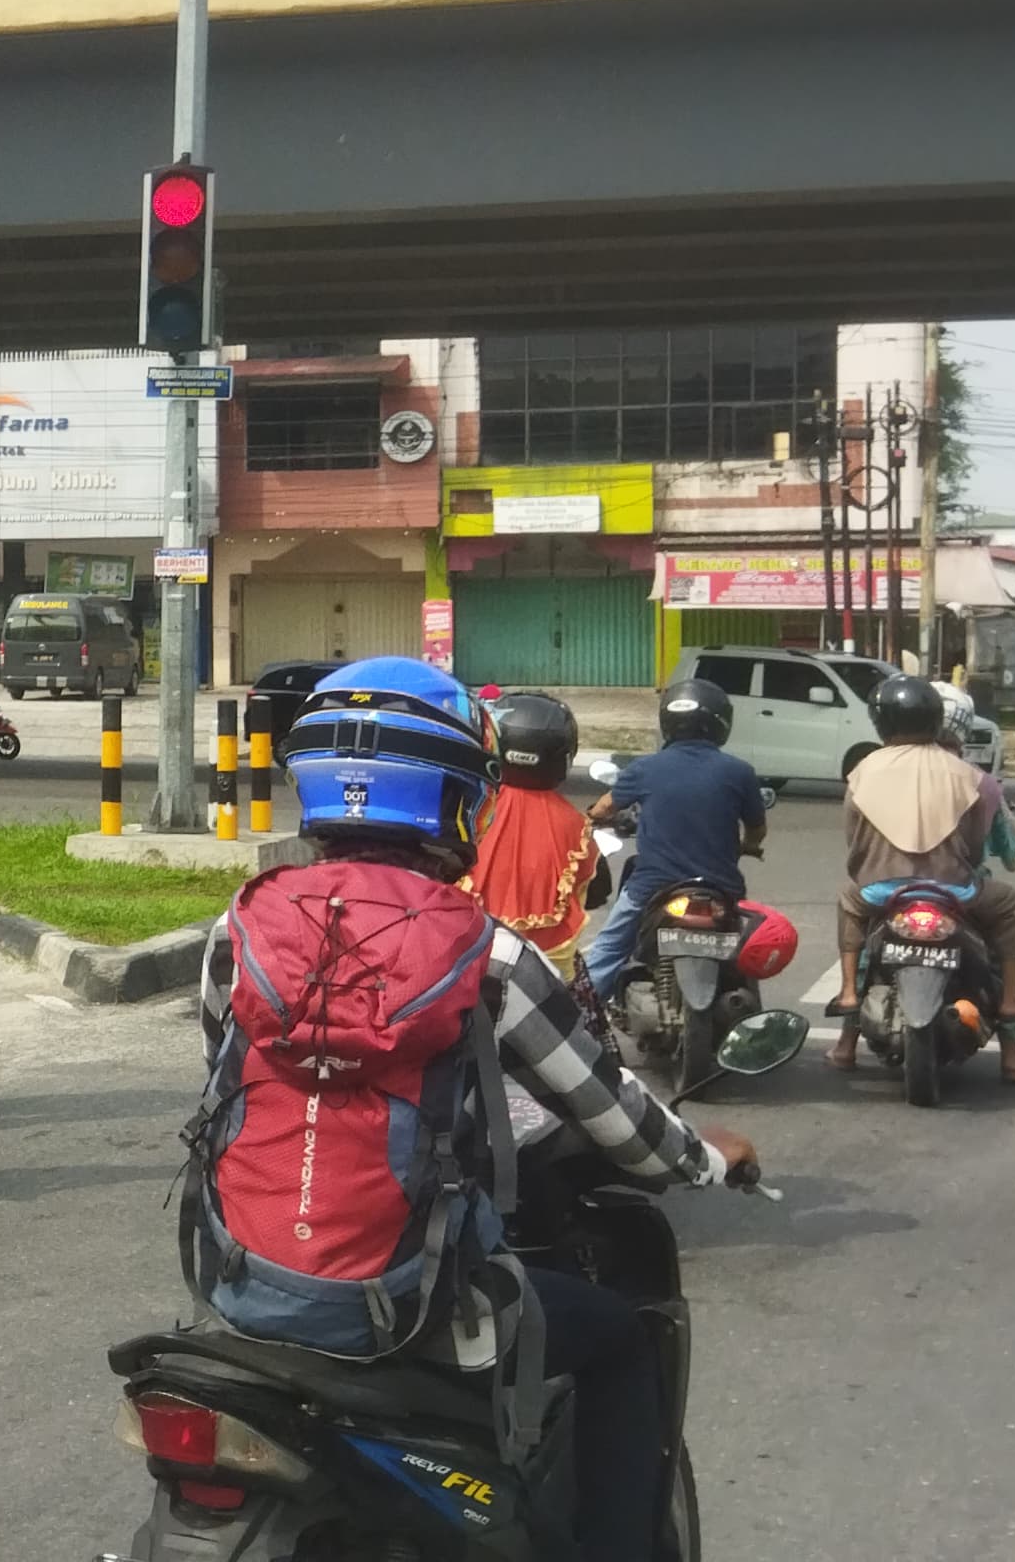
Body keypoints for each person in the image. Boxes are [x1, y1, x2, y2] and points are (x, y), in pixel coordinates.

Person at [193, 658, 752, 1562]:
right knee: (618, 1342)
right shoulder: (483, 950)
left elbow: (225, 1067)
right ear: (456, 795)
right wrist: (705, 1160)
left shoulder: (239, 926)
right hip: (420, 1300)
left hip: (243, 1285)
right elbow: (613, 1116)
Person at [826, 674, 1015, 1082]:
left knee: (853, 907)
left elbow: (854, 842)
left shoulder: (863, 771)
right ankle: (1012, 1037)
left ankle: (848, 1023)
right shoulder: (977, 780)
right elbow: (986, 847)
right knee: (1007, 907)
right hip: (956, 890)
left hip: (882, 890)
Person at [578, 678, 769, 1002]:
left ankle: (581, 1014)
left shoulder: (646, 767)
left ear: (667, 721)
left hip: (653, 887)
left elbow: (606, 807)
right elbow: (757, 829)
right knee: (743, 952)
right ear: (721, 722)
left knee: (609, 948)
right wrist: (748, 845)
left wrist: (592, 817)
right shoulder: (740, 772)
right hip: (721, 888)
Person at [459, 690, 610, 985]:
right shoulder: (577, 827)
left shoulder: (465, 809)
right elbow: (598, 890)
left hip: (466, 963)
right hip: (545, 976)